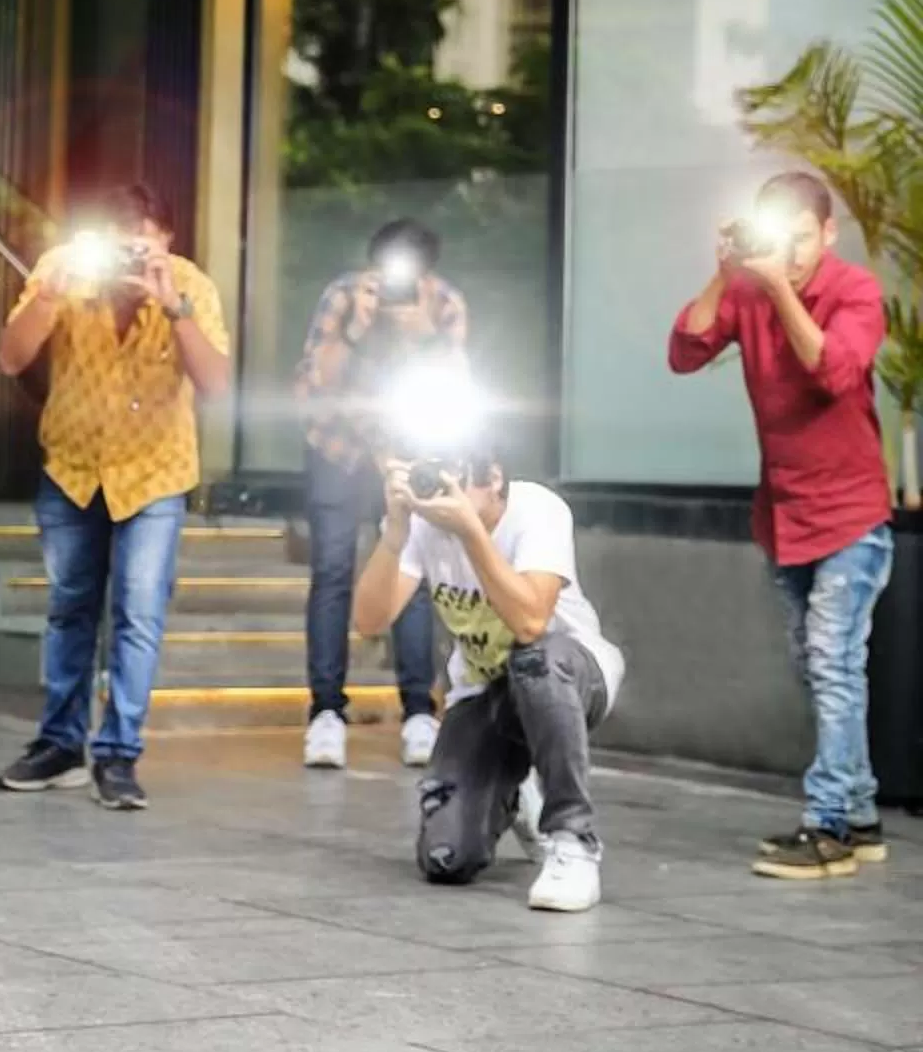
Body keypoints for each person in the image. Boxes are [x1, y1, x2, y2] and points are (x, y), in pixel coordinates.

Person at [671, 167, 892, 882]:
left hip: (853, 513)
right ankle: (859, 817)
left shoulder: (855, 292)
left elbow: (832, 371)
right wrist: (724, 274)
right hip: (785, 513)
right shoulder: (748, 287)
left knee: (832, 661)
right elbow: (685, 352)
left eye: (803, 240)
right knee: (816, 666)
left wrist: (772, 290)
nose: (790, 255)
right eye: (779, 240)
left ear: (828, 234)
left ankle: (827, 825)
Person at [0, 184, 232, 811]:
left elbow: (216, 386)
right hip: (72, 469)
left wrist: (174, 307)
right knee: (70, 610)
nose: (128, 260)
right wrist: (49, 294)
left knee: (138, 613)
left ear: (166, 240)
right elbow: (11, 358)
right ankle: (60, 746)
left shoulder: (190, 286)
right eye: (118, 245)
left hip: (155, 474)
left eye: (140, 244)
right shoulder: (63, 272)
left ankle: (119, 755)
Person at [353, 440, 625, 912]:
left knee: (534, 659)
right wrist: (395, 532)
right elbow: (369, 622)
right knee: (446, 859)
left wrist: (470, 532)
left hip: (573, 672)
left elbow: (530, 623)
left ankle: (573, 841)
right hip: (483, 693)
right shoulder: (420, 524)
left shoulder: (538, 510)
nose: (439, 486)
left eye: (452, 472)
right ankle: (513, 792)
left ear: (493, 478)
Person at [294, 218, 467, 772]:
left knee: (411, 577)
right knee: (333, 573)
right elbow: (313, 383)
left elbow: (456, 385)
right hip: (338, 450)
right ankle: (325, 713)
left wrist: (423, 336)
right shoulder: (345, 297)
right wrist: (354, 332)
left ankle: (419, 710)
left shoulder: (442, 306)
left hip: (408, 451)